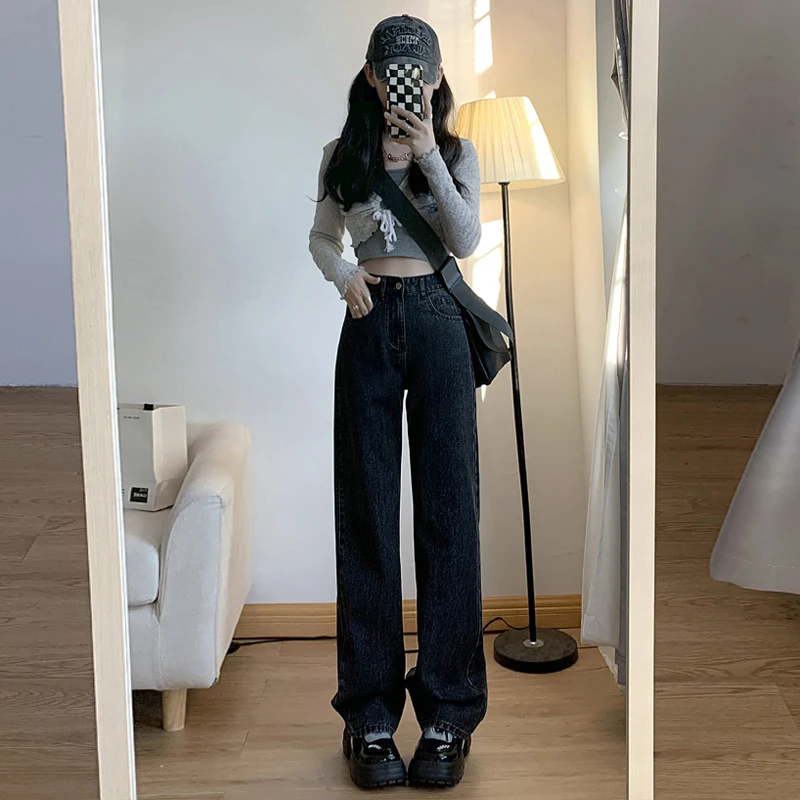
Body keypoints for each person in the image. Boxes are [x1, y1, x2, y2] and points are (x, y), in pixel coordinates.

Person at [309, 14, 486, 789]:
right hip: (368, 322)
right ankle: (371, 719)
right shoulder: (340, 155)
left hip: (441, 323)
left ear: (437, 78)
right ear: (373, 77)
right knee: (367, 515)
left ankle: (448, 715)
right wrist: (343, 274)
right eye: (391, 72)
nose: (403, 84)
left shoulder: (457, 151)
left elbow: (466, 238)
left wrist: (428, 159)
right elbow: (321, 237)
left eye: (418, 71)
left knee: (450, 514)